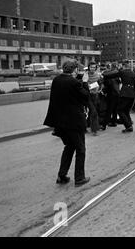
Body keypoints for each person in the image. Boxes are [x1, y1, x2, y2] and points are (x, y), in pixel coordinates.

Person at [43, 59, 91, 187]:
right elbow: (85, 96)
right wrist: (85, 82)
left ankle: (62, 175)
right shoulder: (74, 82)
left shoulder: (57, 80)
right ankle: (79, 178)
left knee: (69, 147)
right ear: (74, 70)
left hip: (61, 122)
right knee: (80, 149)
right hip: (74, 121)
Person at [103, 62, 135, 133]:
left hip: (125, 93)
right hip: (132, 94)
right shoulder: (134, 75)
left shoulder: (122, 72)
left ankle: (128, 126)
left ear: (124, 66)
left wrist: (103, 75)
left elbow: (112, 75)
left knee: (120, 110)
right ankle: (129, 124)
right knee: (126, 110)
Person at [86, 62, 102, 136]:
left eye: (94, 67)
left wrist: (100, 89)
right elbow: (82, 84)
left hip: (95, 96)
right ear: (88, 67)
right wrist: (87, 86)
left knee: (92, 112)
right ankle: (94, 129)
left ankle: (90, 126)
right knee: (93, 112)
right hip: (87, 96)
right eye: (91, 67)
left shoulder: (98, 75)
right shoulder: (85, 75)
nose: (93, 68)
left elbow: (101, 83)